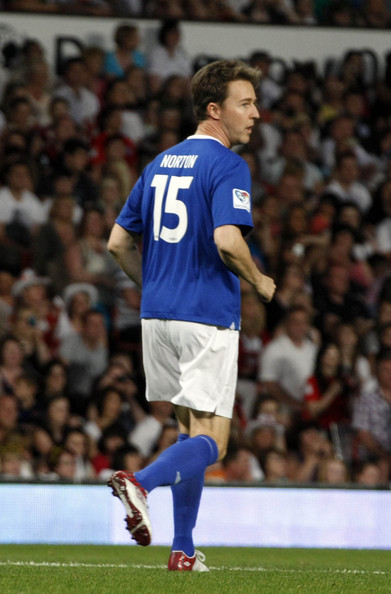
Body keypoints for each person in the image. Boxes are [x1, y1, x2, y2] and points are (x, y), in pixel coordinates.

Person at [106, 59, 276, 571]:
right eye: (245, 103)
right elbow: (227, 241)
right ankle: (140, 482)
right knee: (213, 441)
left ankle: (182, 551)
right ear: (214, 110)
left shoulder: (158, 163)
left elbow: (117, 243)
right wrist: (260, 280)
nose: (257, 114)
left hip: (157, 316)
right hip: (205, 316)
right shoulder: (227, 165)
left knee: (188, 432)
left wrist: (155, 285)